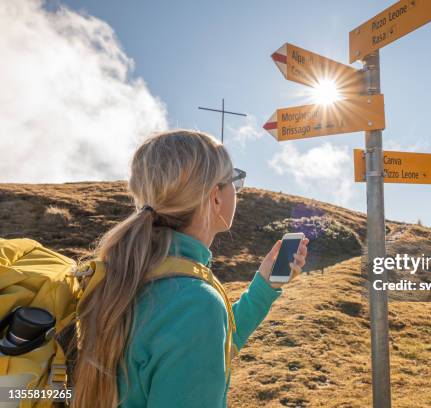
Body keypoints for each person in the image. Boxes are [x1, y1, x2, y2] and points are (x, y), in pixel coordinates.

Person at [72, 129, 309, 407]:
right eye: (234, 180)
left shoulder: (126, 272)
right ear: (215, 197)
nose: (238, 189)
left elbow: (200, 341)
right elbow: (194, 329)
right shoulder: (194, 304)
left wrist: (264, 287)